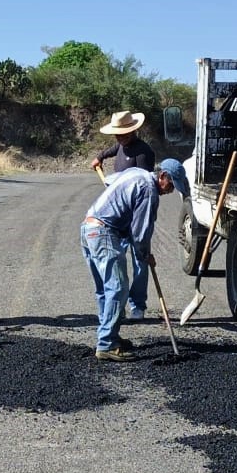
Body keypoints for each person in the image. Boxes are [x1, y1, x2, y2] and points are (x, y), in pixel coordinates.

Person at [81, 157, 189, 361]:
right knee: (118, 288)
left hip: (88, 228)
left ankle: (110, 336)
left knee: (106, 289)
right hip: (104, 233)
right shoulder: (149, 190)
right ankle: (106, 344)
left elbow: (110, 182)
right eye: (172, 185)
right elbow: (140, 233)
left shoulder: (136, 173)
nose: (171, 191)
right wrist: (145, 254)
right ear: (163, 176)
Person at [91, 110, 156, 319]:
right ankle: (117, 305)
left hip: (135, 216)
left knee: (140, 259)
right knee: (118, 260)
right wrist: (99, 157)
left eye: (124, 134)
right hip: (117, 217)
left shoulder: (143, 152)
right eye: (117, 135)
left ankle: (138, 305)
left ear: (134, 130)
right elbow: (113, 150)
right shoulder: (121, 144)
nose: (120, 138)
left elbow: (143, 186)